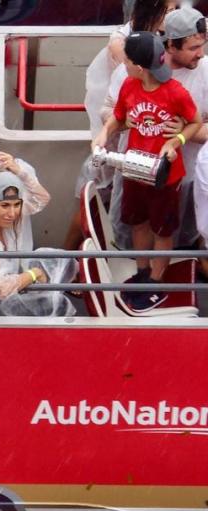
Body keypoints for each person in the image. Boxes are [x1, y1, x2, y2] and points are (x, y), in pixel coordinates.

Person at [92, 30, 201, 311]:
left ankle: (156, 280)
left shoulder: (176, 92)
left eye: (126, 60)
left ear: (139, 67)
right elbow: (117, 118)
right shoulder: (129, 86)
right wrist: (105, 132)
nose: (123, 63)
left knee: (162, 231)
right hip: (134, 168)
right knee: (138, 222)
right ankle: (142, 272)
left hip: (165, 176)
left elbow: (194, 121)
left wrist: (176, 141)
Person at [65, 0, 174, 250]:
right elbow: (127, 91)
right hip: (116, 137)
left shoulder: (159, 39)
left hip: (137, 143)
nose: (172, 17)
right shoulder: (125, 43)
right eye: (168, 11)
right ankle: (67, 258)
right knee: (92, 200)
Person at [0, 154, 75, 317]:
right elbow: (2, 289)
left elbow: (42, 198)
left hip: (8, 285)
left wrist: (20, 172)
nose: (12, 213)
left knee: (60, 259)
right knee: (59, 303)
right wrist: (34, 274)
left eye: (17, 204)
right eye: (4, 205)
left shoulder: (7, 219)